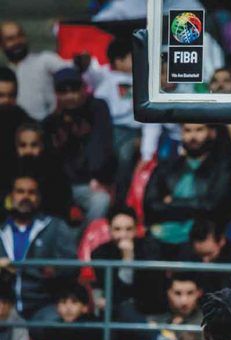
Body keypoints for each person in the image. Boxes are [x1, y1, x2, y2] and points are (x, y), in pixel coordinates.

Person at [144, 123, 231, 259]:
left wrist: (172, 203)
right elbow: (150, 205)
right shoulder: (165, 168)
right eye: (187, 130)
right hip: (161, 237)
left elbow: (214, 207)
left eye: (199, 130)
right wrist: (196, 204)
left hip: (201, 237)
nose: (193, 136)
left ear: (211, 133)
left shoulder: (222, 169)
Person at [42, 67, 115, 224]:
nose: (70, 96)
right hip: (61, 187)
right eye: (63, 91)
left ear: (83, 89)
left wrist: (98, 177)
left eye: (74, 90)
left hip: (91, 182)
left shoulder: (97, 108)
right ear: (56, 94)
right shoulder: (50, 123)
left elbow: (101, 145)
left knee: (101, 200)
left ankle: (88, 244)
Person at [0, 174, 77, 320]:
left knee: (54, 321)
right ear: (11, 196)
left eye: (31, 192)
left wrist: (54, 271)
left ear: (39, 198)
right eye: (20, 192)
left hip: (44, 305)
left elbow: (72, 265)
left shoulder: (55, 226)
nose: (25, 197)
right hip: (5, 306)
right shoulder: (1, 230)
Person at [82, 37, 141, 204]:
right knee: (110, 156)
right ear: (119, 60)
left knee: (126, 156)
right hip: (112, 128)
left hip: (137, 131)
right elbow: (90, 75)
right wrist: (85, 65)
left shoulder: (143, 76)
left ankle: (122, 199)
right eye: (133, 57)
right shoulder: (105, 76)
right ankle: (105, 187)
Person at [91, 206, 163, 317]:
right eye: (117, 229)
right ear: (109, 230)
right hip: (116, 312)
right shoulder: (99, 253)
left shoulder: (149, 249)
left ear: (135, 230)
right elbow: (114, 292)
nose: (123, 235)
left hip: (147, 311)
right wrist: (127, 259)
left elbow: (149, 289)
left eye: (128, 229)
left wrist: (129, 256)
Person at [0, 21, 70, 120]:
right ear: (2, 44)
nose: (17, 42)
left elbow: (73, 72)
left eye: (20, 36)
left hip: (47, 126)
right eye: (10, 39)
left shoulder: (45, 60)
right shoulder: (4, 74)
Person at [177, 218, 231, 293]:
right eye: (200, 255)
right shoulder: (186, 254)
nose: (205, 261)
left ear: (221, 241)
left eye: (208, 254)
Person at [14, 123, 72, 219]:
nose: (28, 150)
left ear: (41, 146)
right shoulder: (8, 172)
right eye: (23, 145)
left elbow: (60, 207)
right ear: (16, 147)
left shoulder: (54, 171)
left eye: (34, 145)